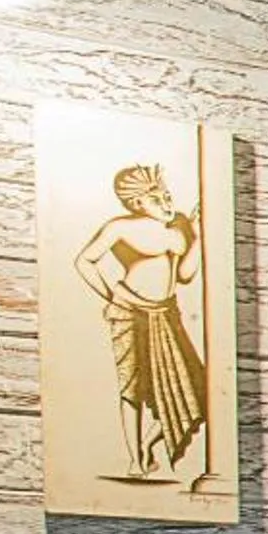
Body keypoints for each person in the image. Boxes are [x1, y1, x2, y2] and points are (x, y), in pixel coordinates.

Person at [73, 163, 205, 480]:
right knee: (133, 387)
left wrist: (198, 236)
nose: (167, 204)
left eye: (167, 196)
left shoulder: (179, 227)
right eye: (156, 199)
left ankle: (148, 443)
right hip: (130, 311)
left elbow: (185, 275)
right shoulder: (120, 227)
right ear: (137, 204)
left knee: (194, 387)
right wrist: (110, 296)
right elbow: (84, 261)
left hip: (165, 312)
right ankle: (136, 460)